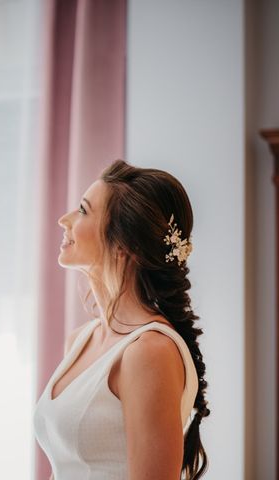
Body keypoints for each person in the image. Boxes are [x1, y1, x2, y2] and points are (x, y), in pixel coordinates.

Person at [33, 159, 210, 480]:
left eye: (84, 211)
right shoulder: (80, 340)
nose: (64, 220)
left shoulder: (149, 352)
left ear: (124, 246)